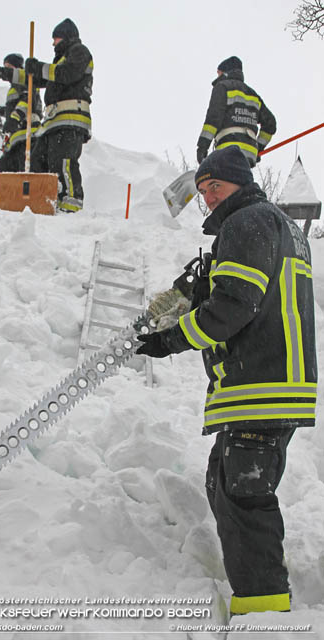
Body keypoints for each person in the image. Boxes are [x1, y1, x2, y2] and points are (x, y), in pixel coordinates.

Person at [137, 146, 317, 616]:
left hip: (260, 382)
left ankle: (264, 610)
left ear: (239, 182)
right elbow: (250, 292)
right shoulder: (283, 229)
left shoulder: (247, 223)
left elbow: (234, 307)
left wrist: (171, 338)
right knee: (224, 482)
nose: (209, 198)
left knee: (244, 494)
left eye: (215, 186)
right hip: (277, 382)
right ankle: (262, 591)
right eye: (202, 191)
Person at [24, 18, 93, 213]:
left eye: (55, 39)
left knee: (64, 162)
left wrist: (39, 67)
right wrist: (5, 73)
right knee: (39, 160)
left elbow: (67, 74)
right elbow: (34, 78)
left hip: (71, 119)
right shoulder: (58, 63)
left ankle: (71, 205)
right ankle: (44, 202)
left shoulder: (79, 52)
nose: (53, 43)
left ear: (65, 37)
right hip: (54, 122)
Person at [0, 53, 43, 193]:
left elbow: (27, 101)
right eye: (5, 67)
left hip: (29, 137)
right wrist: (1, 112)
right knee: (0, 172)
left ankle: (28, 205)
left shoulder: (28, 80)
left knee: (25, 173)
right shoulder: (14, 88)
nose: (6, 69)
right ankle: (4, 204)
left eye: (9, 67)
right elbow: (15, 105)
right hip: (15, 141)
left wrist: (14, 118)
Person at [196, 56, 276, 167]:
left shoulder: (222, 87)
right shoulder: (254, 95)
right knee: (239, 183)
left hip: (227, 150)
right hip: (248, 155)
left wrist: (202, 147)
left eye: (218, 73)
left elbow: (214, 119)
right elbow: (271, 124)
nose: (217, 76)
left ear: (225, 73)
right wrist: (258, 147)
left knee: (223, 182)